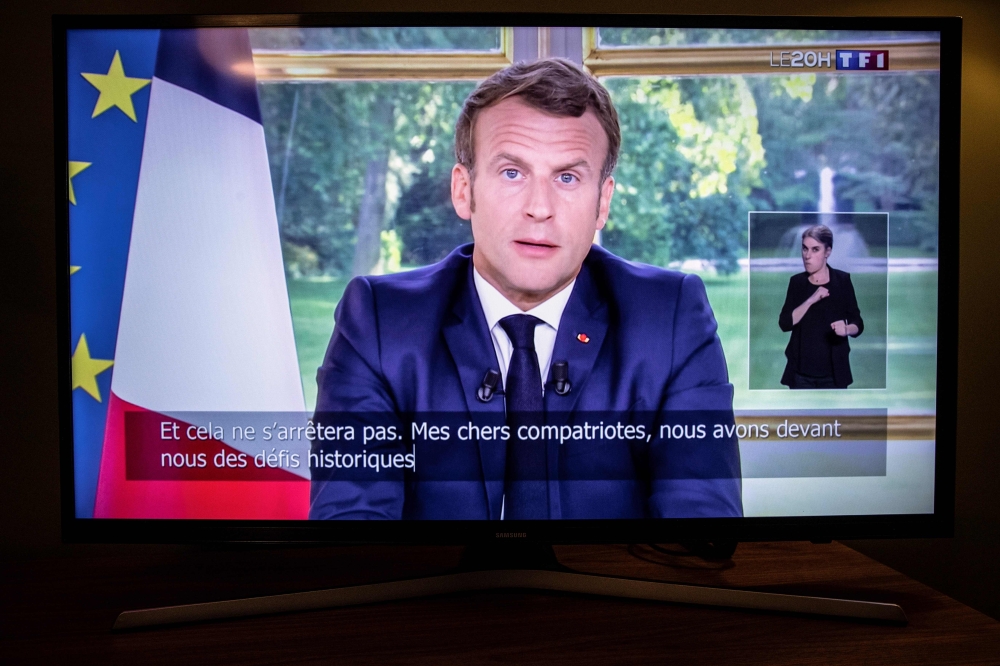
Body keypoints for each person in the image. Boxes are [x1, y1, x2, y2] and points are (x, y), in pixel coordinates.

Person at [309, 58, 742, 520]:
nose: (540, 208)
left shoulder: (672, 318)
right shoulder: (377, 321)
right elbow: (352, 537)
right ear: (464, 190)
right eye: (512, 172)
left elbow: (702, 534)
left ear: (603, 203)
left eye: (568, 177)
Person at [778, 225, 864, 389]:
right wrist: (811, 300)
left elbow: (858, 323)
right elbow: (784, 323)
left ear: (827, 252)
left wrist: (846, 329)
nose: (807, 256)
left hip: (834, 373)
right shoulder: (797, 283)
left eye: (815, 249)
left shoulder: (842, 281)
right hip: (800, 374)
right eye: (804, 249)